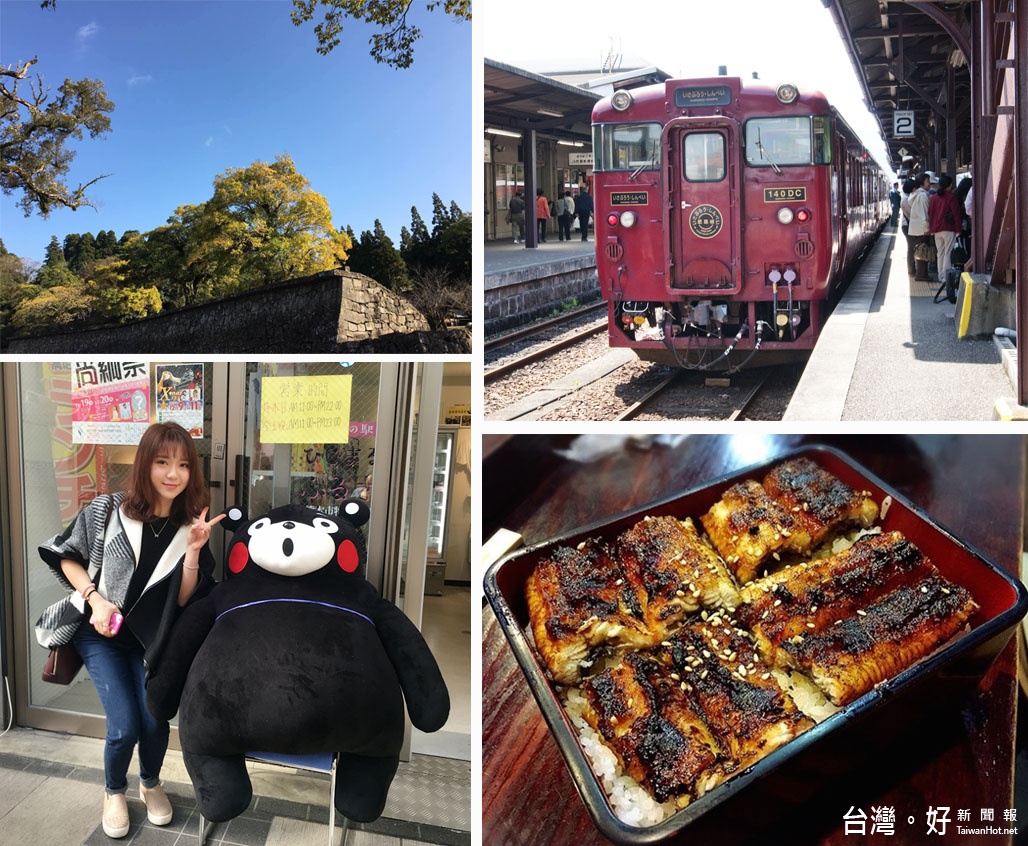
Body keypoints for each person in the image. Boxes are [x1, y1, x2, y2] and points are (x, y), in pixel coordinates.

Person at [37, 422, 223, 839]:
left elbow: (182, 600)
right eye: (162, 462)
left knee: (155, 721)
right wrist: (95, 598)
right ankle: (114, 790)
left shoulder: (187, 527)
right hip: (99, 633)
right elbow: (66, 555)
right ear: (145, 464)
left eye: (182, 465)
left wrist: (193, 551)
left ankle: (150, 782)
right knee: (123, 725)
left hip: (151, 641)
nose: (173, 474)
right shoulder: (108, 510)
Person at [927, 174, 962, 287]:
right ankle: (946, 277)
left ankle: (940, 275)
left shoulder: (934, 198)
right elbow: (956, 214)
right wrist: (958, 229)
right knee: (947, 253)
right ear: (949, 185)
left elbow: (930, 214)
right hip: (948, 229)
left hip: (937, 230)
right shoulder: (951, 197)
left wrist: (932, 228)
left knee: (940, 253)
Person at [906, 173, 932, 275]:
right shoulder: (922, 196)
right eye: (927, 181)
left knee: (920, 251)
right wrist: (926, 228)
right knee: (923, 252)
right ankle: (922, 274)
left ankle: (922, 274)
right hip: (922, 229)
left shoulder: (917, 195)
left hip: (916, 229)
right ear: (922, 183)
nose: (929, 183)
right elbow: (924, 214)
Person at [899, 178, 918, 276]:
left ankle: (912, 269)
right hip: (907, 225)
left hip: (907, 225)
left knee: (911, 247)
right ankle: (911, 269)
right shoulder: (905, 199)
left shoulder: (907, 196)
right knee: (911, 247)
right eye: (914, 188)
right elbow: (912, 214)